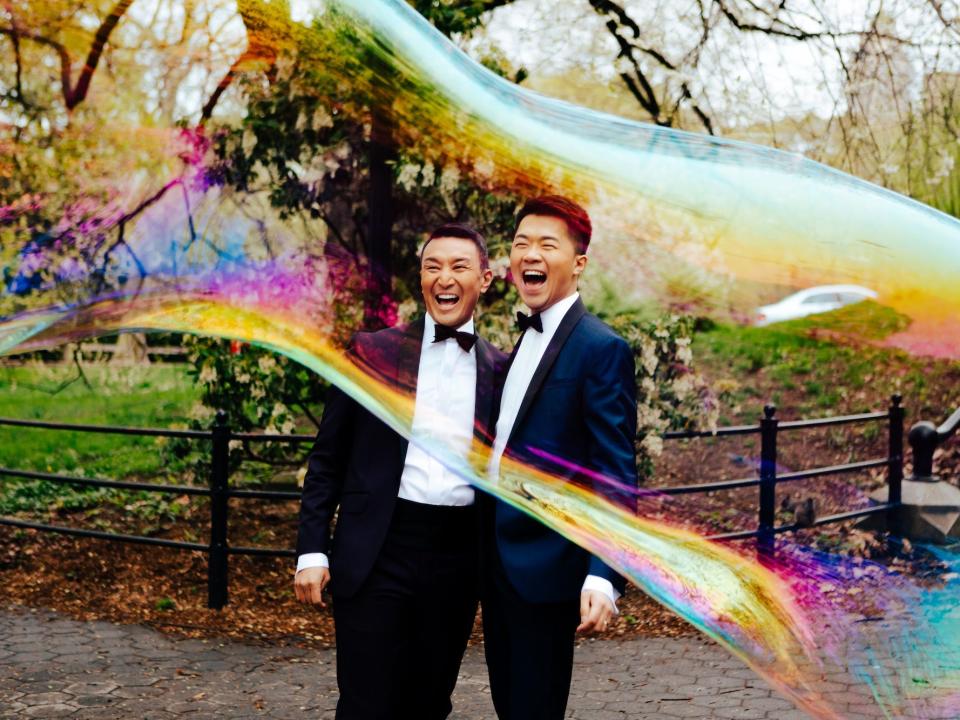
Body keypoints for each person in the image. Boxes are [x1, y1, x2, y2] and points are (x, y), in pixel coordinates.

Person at [294, 223, 507, 720]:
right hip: (377, 549)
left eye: (458, 267)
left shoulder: (502, 371)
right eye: (432, 267)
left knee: (429, 702)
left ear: (486, 279)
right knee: (366, 703)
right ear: (421, 278)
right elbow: (327, 458)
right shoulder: (372, 351)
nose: (444, 278)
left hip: (457, 558)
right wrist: (311, 549)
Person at [482, 195, 638, 720]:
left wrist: (602, 575)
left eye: (547, 244)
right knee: (509, 704)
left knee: (534, 709)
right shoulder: (519, 340)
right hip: (494, 563)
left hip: (546, 568)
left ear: (578, 263)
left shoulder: (601, 348)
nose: (530, 253)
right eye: (521, 243)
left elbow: (615, 470)